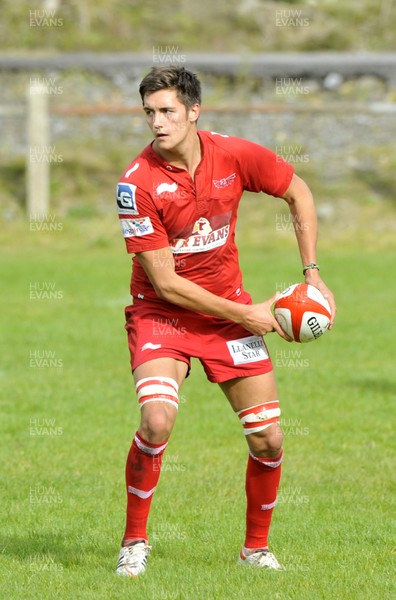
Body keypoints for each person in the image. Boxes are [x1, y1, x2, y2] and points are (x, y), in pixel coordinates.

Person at [115, 65, 336, 577]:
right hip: (162, 315)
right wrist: (250, 313)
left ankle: (255, 549)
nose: (157, 122)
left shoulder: (233, 155)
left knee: (269, 440)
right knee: (156, 419)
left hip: (227, 314)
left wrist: (313, 274)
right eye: (149, 112)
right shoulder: (136, 184)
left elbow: (298, 192)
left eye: (167, 110)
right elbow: (167, 284)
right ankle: (134, 542)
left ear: (194, 111)